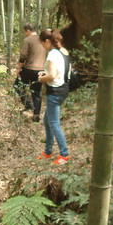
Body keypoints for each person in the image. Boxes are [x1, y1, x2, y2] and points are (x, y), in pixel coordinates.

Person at [37, 29, 71, 165]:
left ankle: (64, 154)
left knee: (54, 123)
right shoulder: (63, 51)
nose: (42, 46)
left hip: (55, 92)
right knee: (47, 121)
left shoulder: (52, 54)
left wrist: (41, 78)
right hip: (63, 89)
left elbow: (51, 75)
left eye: (42, 43)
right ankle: (48, 151)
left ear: (46, 41)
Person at [16, 22, 47, 122]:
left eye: (25, 32)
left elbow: (23, 56)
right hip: (41, 71)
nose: (25, 34)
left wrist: (18, 68)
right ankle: (36, 115)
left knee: (18, 86)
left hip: (29, 69)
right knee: (37, 93)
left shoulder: (27, 40)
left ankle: (28, 104)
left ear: (28, 31)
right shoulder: (42, 40)